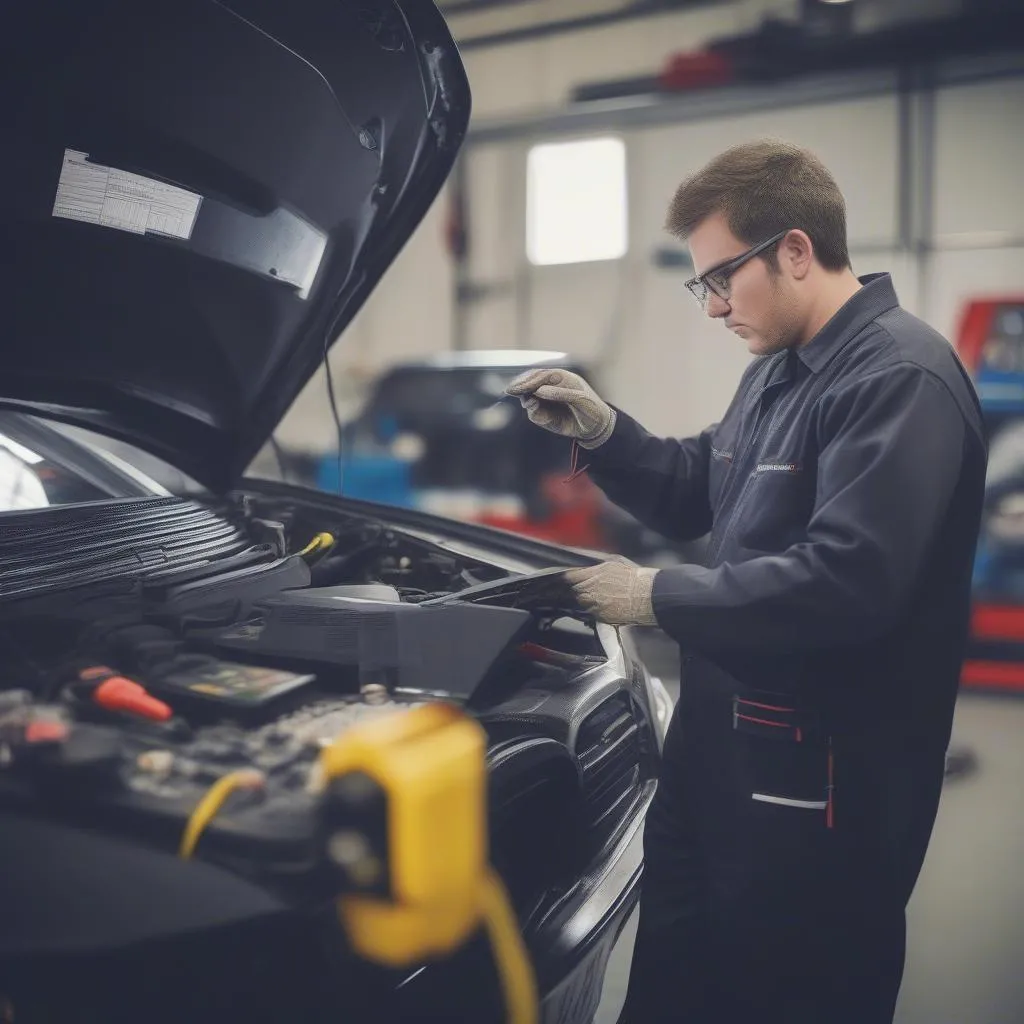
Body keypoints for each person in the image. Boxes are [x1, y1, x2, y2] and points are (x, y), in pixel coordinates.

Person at [506, 140, 987, 1024]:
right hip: (714, 767)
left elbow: (848, 583)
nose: (714, 306)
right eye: (703, 285)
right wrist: (607, 431)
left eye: (722, 276)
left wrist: (655, 596)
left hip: (821, 794)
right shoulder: (777, 372)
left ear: (796, 251)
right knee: (676, 991)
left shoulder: (898, 378)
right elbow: (702, 483)